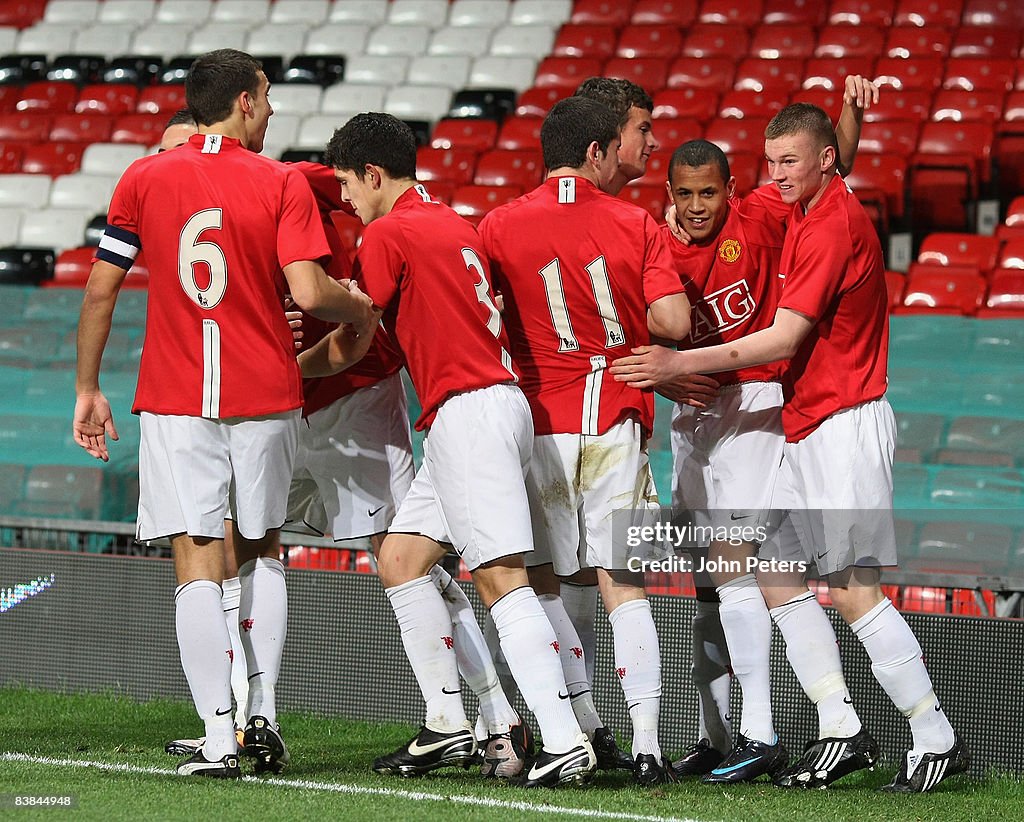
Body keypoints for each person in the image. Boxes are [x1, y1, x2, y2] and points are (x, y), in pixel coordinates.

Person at [611, 102, 969, 793]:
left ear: (824, 160)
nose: (776, 176)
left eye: (790, 162)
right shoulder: (804, 209)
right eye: (770, 163)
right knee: (777, 575)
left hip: (844, 420)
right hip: (808, 422)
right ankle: (839, 728)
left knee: (854, 587)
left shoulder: (831, 223)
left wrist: (676, 367)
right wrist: (846, 121)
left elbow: (783, 339)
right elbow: (824, 165)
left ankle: (934, 736)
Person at [73, 49, 373, 779]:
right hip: (266, 392)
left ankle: (217, 735)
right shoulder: (276, 182)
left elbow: (102, 290)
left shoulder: (144, 175)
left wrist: (87, 388)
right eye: (266, 99)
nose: (270, 112)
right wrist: (357, 304)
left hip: (177, 397)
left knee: (196, 562)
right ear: (242, 101)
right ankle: (261, 716)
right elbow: (307, 290)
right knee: (264, 547)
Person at [318, 112, 596, 788]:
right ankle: (447, 724)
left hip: (470, 411)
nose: (348, 200)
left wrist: (279, 367)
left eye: (349, 186)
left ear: (373, 174)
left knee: (501, 577)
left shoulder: (388, 233)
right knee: (402, 559)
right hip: (479, 409)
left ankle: (564, 739)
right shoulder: (454, 223)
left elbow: (357, 339)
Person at [663, 76, 883, 784]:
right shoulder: (652, 241)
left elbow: (829, 160)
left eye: (708, 193)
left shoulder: (762, 214)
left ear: (731, 189)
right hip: (690, 418)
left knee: (743, 570)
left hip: (754, 407)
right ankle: (717, 734)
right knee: (707, 578)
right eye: (684, 194)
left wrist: (848, 115)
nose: (696, 207)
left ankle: (761, 731)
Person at [479, 96, 689, 785]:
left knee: (541, 585)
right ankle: (650, 745)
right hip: (613, 416)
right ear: (598, 151)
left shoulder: (498, 225)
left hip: (535, 422)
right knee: (622, 583)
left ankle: (582, 727)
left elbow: (486, 316)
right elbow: (674, 321)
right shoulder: (636, 222)